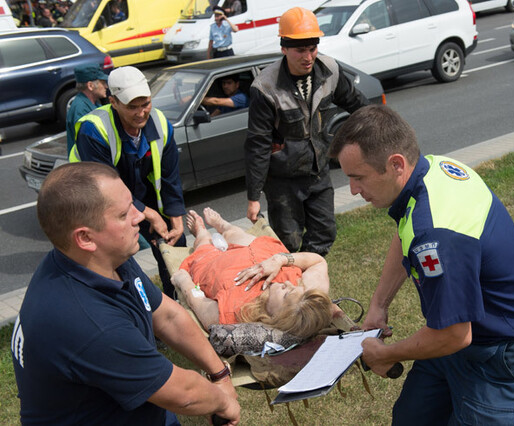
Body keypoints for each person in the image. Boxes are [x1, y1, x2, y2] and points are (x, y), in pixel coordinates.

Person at [328, 105, 514, 425]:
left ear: (395, 164)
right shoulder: (432, 169)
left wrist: (384, 354)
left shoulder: (435, 234)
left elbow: (454, 336)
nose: (352, 190)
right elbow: (406, 230)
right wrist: (378, 305)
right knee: (411, 417)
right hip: (460, 339)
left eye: (358, 177)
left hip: (501, 351)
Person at [11, 162, 240, 425]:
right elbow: (183, 394)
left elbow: (167, 316)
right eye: (122, 215)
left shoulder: (103, 258)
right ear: (85, 238)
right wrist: (224, 402)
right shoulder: (87, 321)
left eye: (133, 204)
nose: (139, 217)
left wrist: (219, 374)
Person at [244, 7, 370, 257]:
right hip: (282, 180)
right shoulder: (265, 87)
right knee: (288, 241)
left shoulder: (330, 70)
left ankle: (309, 282)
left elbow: (357, 104)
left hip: (317, 171)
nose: (308, 56)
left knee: (324, 233)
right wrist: (253, 196)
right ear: (284, 48)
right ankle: (293, 285)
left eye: (312, 48)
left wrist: (380, 130)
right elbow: (258, 143)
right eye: (300, 50)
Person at [70, 66, 187, 300]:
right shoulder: (93, 130)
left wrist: (175, 218)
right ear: (113, 102)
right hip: (98, 199)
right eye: (132, 106)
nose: (141, 113)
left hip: (141, 195)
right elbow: (108, 188)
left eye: (145, 104)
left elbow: (170, 177)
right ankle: (133, 310)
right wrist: (148, 214)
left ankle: (178, 302)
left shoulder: (161, 123)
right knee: (119, 255)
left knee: (175, 243)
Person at [171, 208, 334, 339]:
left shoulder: (237, 315)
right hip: (260, 255)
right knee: (237, 235)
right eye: (295, 287)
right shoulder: (306, 295)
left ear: (276, 317)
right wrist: (280, 260)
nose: (288, 284)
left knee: (203, 246)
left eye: (286, 293)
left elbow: (200, 304)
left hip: (215, 267)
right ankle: (223, 225)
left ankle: (201, 232)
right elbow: (318, 262)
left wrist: (184, 282)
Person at [66, 64, 108, 153]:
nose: (106, 86)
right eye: (103, 82)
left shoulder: (94, 103)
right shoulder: (80, 108)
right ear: (90, 86)